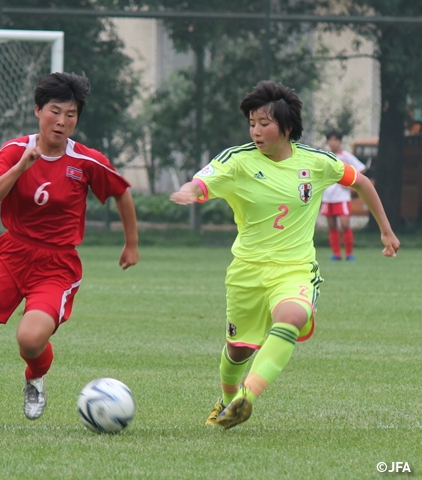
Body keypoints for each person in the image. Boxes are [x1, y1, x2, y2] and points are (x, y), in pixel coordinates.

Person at [170, 81, 399, 430]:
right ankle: (227, 399)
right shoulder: (238, 160)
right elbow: (202, 182)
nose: (256, 131)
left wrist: (385, 229)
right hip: (247, 271)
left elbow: (361, 183)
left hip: (295, 268)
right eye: (251, 123)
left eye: (264, 123)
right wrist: (188, 191)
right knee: (238, 350)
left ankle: (247, 396)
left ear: (287, 127)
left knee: (292, 314)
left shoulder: (317, 162)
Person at [0, 72, 139, 427]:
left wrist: (131, 243)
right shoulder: (14, 151)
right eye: (55, 111)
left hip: (56, 263)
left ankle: (35, 377)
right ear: (38, 110)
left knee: (31, 338)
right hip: (9, 255)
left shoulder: (86, 160)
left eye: (71, 114)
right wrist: (23, 165)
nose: (62, 121)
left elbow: (121, 192)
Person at [320, 128, 367, 261]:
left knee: (345, 224)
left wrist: (350, 184)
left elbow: (362, 169)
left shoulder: (345, 156)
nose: (333, 142)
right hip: (328, 196)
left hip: (342, 196)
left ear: (340, 142)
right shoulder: (324, 157)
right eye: (330, 139)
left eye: (336, 139)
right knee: (332, 225)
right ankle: (336, 254)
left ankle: (349, 253)